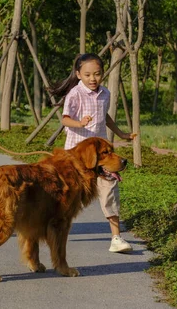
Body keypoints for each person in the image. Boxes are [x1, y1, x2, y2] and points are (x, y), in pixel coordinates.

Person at [50, 53, 134, 253]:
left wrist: (121, 133)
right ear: (78, 74)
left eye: (97, 74)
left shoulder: (105, 93)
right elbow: (65, 119)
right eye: (87, 75)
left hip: (103, 156)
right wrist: (79, 123)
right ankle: (56, 230)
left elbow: (105, 117)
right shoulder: (74, 94)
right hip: (78, 157)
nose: (93, 79)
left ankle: (116, 237)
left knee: (110, 189)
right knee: (70, 196)